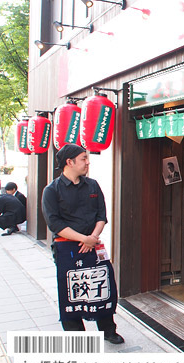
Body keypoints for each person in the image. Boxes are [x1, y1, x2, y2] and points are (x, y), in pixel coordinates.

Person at [41, 144, 124, 345]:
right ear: (69, 162)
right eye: (83, 159)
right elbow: (55, 224)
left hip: (93, 245)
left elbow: (101, 215)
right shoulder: (51, 190)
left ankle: (108, 330)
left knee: (103, 287)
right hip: (68, 248)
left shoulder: (93, 185)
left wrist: (92, 238)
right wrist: (82, 239)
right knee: (72, 291)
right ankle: (76, 335)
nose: (87, 162)